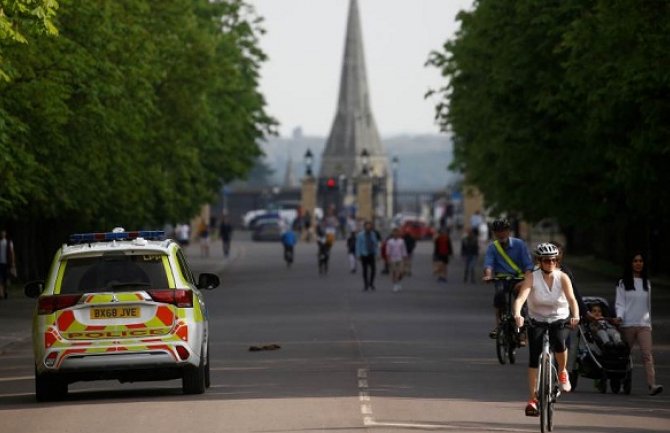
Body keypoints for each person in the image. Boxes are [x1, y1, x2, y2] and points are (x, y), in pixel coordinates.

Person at [513, 242, 580, 416]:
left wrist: (575, 316)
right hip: (537, 318)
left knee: (559, 342)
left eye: (553, 260)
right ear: (539, 261)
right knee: (534, 356)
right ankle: (533, 398)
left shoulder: (562, 277)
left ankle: (563, 370)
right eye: (546, 260)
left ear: (556, 261)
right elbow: (521, 298)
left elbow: (572, 300)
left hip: (559, 317)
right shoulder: (532, 277)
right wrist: (517, 314)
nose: (550, 263)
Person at [613, 252, 663, 396]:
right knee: (624, 356)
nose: (638, 263)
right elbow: (620, 303)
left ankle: (652, 385)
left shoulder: (647, 283)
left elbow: (648, 306)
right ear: (630, 263)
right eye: (635, 261)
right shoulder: (623, 283)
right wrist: (619, 317)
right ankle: (622, 382)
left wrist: (649, 323)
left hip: (644, 325)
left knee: (647, 355)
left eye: (641, 261)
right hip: (628, 324)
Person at [483, 218, 534, 338]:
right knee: (499, 296)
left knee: (520, 297)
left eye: (503, 230)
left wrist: (527, 278)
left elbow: (528, 264)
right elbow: (488, 264)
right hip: (502, 279)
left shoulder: (519, 244)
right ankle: (499, 325)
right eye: (498, 231)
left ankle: (522, 330)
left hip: (518, 279)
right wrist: (488, 275)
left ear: (508, 231)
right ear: (494, 233)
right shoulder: (492, 247)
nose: (501, 234)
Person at [355, 221, 380, 291]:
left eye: (370, 226)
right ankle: (366, 284)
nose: (368, 227)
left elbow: (376, 244)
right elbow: (358, 245)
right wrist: (358, 254)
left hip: (371, 253)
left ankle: (371, 283)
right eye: (367, 226)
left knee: (373, 270)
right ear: (365, 227)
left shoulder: (373, 234)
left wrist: (377, 253)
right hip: (364, 254)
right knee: (365, 270)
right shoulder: (360, 235)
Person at [0, 229, 16, 299]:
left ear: (5, 234)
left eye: (3, 233)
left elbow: (12, 253)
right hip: (0, 263)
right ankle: (1, 294)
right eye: (1, 233)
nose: (2, 234)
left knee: (5, 279)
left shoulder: (9, 242)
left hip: (7, 263)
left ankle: (5, 292)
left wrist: (12, 263)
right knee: (0, 279)